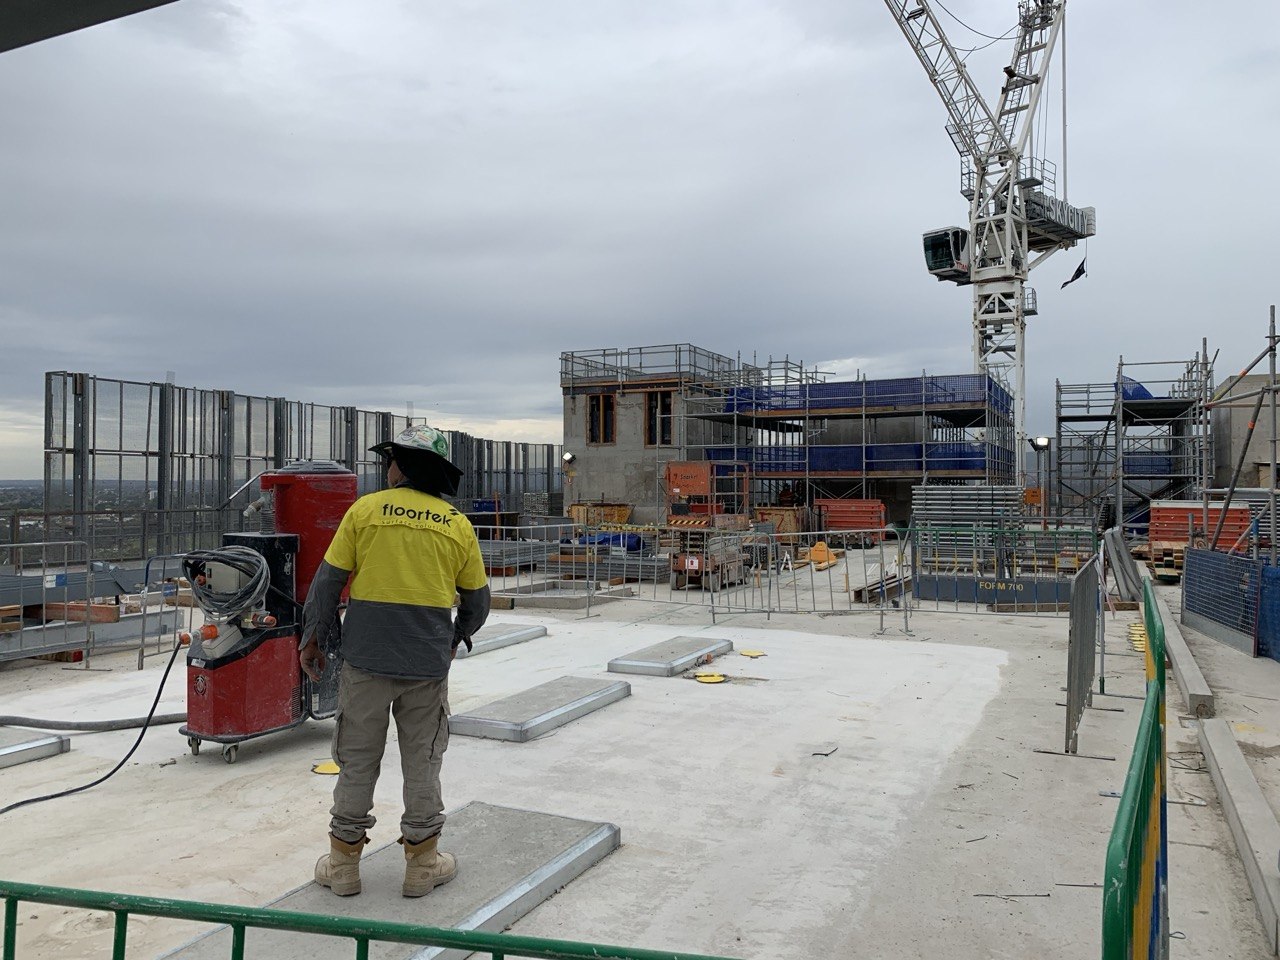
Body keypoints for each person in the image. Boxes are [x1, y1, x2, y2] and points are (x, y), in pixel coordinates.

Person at [299, 424, 490, 898]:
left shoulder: (365, 512)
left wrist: (315, 639)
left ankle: (343, 867)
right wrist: (456, 636)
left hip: (365, 662)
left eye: (390, 461)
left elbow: (326, 585)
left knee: (357, 760)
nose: (386, 469)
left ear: (401, 466)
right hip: (426, 666)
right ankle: (422, 866)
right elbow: (478, 602)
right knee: (423, 762)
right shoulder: (455, 524)